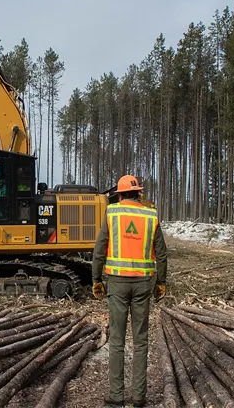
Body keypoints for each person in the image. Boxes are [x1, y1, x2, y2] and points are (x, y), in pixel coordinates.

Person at [91, 174, 168, 408]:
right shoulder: (150, 215)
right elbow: (162, 254)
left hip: (117, 283)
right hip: (144, 284)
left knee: (117, 340)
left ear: (120, 194)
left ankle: (116, 396)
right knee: (141, 340)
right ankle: (138, 396)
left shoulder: (112, 213)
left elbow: (100, 248)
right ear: (139, 193)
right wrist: (161, 283)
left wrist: (96, 279)